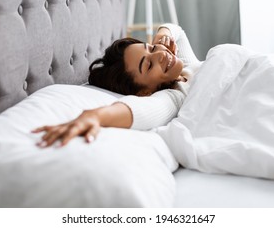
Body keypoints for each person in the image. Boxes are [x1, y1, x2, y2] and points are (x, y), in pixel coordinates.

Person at [33, 24, 202, 147]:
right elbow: (139, 110)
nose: (160, 54)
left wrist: (162, 35)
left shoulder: (185, 65)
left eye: (150, 48)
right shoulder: (175, 97)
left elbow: (177, 31)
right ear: (145, 91)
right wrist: (95, 116)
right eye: (149, 65)